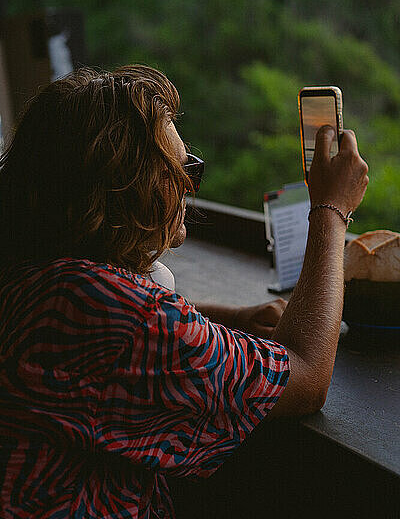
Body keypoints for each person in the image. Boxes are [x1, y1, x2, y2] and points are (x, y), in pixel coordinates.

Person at [0, 65, 368, 519]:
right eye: (180, 171)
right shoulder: (126, 319)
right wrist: (330, 209)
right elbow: (306, 377)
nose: (189, 188)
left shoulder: (39, 272)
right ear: (124, 186)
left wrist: (219, 321)